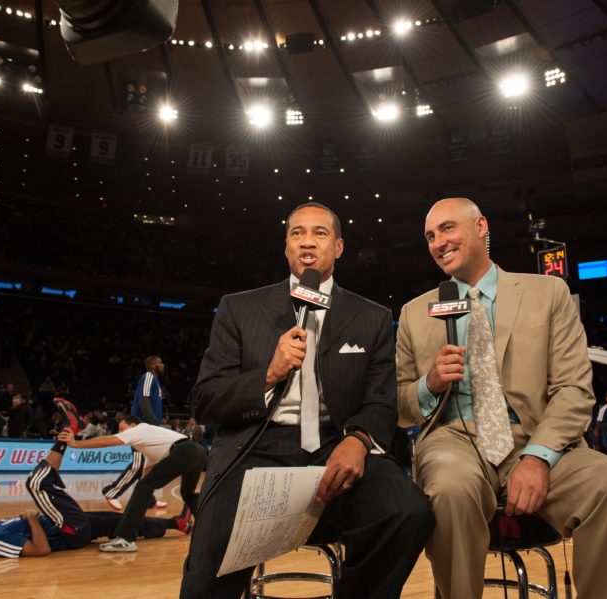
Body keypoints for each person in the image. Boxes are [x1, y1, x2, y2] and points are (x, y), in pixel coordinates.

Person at [396, 197, 607, 599]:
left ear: (482, 226)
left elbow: (573, 387)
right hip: (455, 441)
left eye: (447, 228)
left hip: (541, 439)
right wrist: (428, 384)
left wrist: (538, 456)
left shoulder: (548, 292)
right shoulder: (415, 312)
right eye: (430, 236)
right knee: (450, 488)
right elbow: (398, 405)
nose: (438, 242)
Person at [181, 202, 434, 599]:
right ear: (286, 248)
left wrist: (359, 440)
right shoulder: (239, 308)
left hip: (338, 448)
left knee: (407, 512)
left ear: (338, 247)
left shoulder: (372, 317)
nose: (307, 242)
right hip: (254, 451)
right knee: (207, 568)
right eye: (297, 233)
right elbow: (205, 400)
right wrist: (268, 373)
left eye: (319, 233)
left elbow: (381, 402)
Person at [0, 438, 192, 558]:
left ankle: (175, 524)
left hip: (72, 526)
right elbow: (41, 550)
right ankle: (64, 441)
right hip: (68, 531)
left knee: (123, 522)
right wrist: (32, 519)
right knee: (35, 484)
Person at [58, 413, 205, 552]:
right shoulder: (149, 445)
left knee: (144, 487)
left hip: (185, 451)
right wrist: (137, 502)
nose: (121, 432)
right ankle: (209, 528)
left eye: (122, 429)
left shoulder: (139, 430)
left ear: (133, 425)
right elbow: (145, 478)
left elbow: (109, 440)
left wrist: (75, 443)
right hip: (198, 452)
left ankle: (126, 538)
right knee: (187, 494)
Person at [99, 356, 168, 511]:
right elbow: (143, 402)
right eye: (160, 362)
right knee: (138, 465)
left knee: (148, 465)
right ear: (153, 365)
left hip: (147, 427)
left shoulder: (155, 382)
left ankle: (148, 499)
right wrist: (155, 424)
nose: (163, 364)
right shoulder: (149, 377)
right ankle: (111, 492)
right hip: (141, 427)